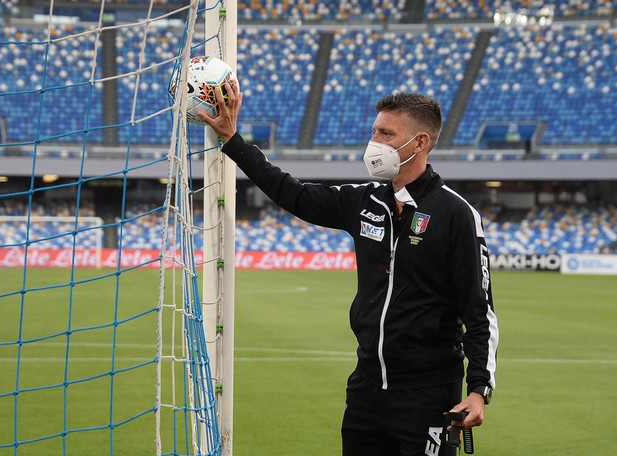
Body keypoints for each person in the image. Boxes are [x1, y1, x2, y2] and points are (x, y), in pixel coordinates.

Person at [199, 85, 498, 456]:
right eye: (374, 131)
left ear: (419, 142)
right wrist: (233, 140)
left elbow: (478, 309)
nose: (374, 141)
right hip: (365, 390)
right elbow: (292, 192)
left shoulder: (456, 215)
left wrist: (478, 390)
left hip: (428, 395)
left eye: (386, 134)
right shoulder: (363, 200)